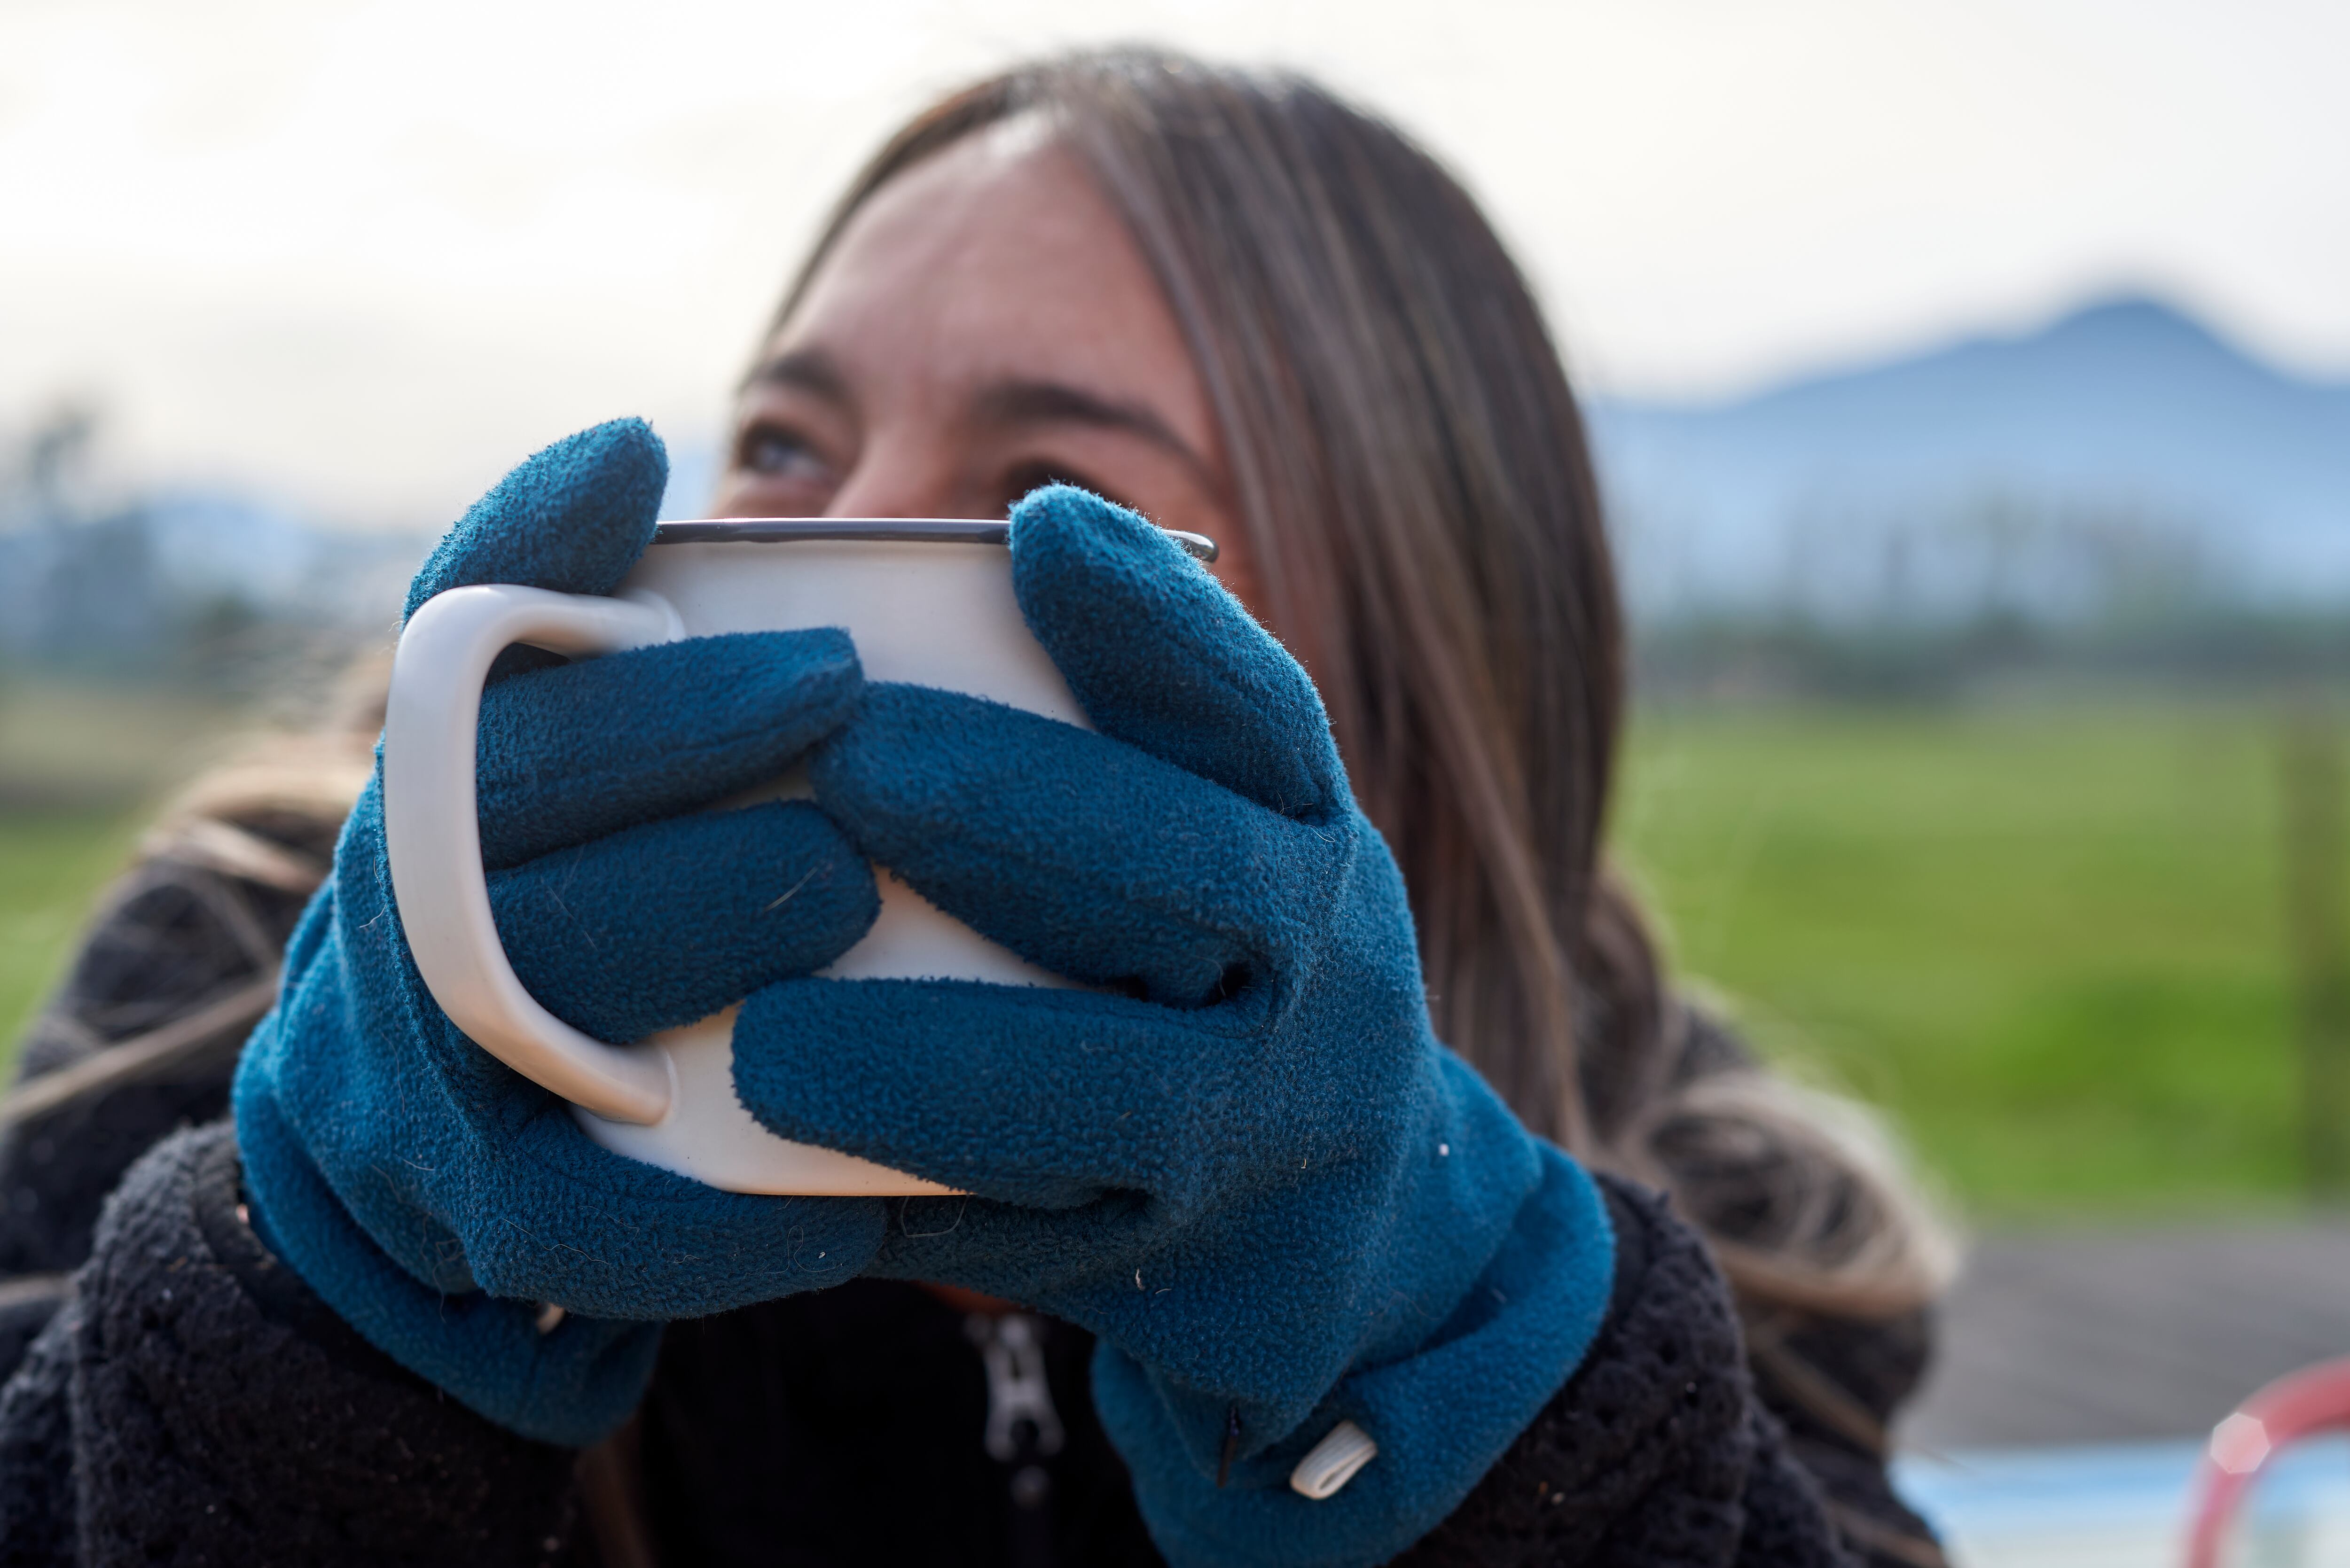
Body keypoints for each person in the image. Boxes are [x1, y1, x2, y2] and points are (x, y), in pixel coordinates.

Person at [0, 49, 1953, 1568]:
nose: (838, 531)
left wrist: (1471, 1392)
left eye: (1045, 493)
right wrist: (304, 1298)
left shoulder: (1681, 1195)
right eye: (787, 437)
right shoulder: (246, 983)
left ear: (1407, 682)